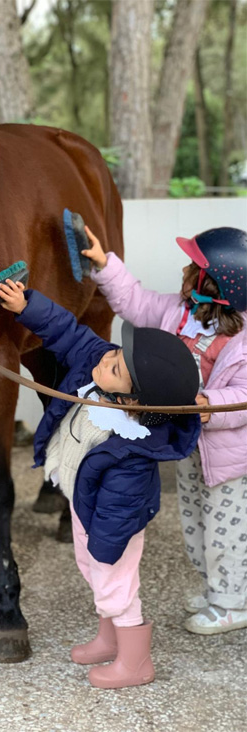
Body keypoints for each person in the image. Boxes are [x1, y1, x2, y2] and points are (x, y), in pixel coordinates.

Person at [0, 279, 200, 689]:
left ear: (133, 402)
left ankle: (135, 662)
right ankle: (110, 640)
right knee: (92, 571)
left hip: (112, 526)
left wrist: (105, 547)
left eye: (117, 369)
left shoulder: (131, 450)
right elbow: (69, 332)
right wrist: (27, 305)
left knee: (115, 581)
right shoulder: (99, 364)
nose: (108, 359)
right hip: (81, 499)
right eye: (117, 354)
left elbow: (120, 508)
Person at [81, 225, 247, 635]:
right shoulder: (179, 311)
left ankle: (232, 601)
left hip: (227, 456)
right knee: (194, 523)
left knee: (226, 531)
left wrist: (213, 406)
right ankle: (218, 589)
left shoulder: (242, 341)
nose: (187, 270)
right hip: (189, 446)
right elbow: (135, 302)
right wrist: (105, 265)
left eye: (196, 267)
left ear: (218, 284)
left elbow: (244, 394)